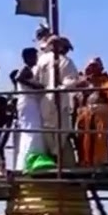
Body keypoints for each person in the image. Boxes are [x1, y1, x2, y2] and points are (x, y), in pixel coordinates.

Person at [34, 36, 80, 164]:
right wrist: (60, 88)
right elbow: (70, 82)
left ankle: (49, 156)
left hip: (44, 100)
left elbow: (35, 79)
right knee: (61, 130)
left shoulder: (42, 60)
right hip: (59, 100)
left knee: (46, 129)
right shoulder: (67, 62)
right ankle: (56, 156)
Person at [76, 57, 108, 166]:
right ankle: (85, 162)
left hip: (100, 112)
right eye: (90, 66)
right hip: (85, 113)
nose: (92, 69)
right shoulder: (83, 81)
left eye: (95, 66)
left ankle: (100, 162)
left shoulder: (105, 81)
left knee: (100, 137)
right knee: (83, 138)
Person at [10, 47, 46, 171]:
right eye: (34, 56)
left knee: (33, 130)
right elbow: (18, 78)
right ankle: (29, 160)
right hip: (28, 102)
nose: (36, 59)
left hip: (30, 102)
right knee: (32, 130)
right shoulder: (25, 70)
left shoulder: (29, 70)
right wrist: (37, 87)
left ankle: (30, 159)